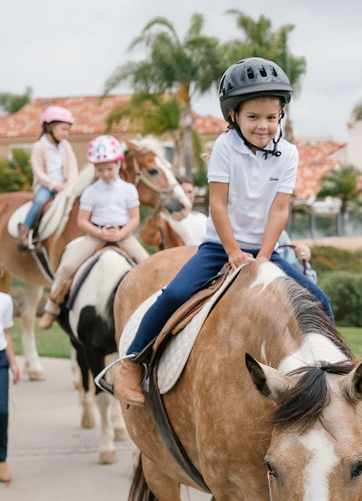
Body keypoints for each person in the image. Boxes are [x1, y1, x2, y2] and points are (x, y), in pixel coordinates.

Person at [109, 58, 333, 407]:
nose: (264, 125)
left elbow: (279, 209)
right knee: (172, 296)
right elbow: (218, 205)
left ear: (281, 117)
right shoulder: (225, 148)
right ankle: (130, 364)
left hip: (264, 250)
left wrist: (261, 259)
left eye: (271, 117)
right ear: (234, 116)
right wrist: (232, 252)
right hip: (219, 246)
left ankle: (333, 378)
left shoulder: (288, 154)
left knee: (321, 300)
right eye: (253, 117)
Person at [36, 136, 147, 329]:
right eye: (100, 169)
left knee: (147, 263)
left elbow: (135, 219)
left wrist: (121, 234)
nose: (105, 173)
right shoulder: (90, 191)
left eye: (109, 168)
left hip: (124, 234)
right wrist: (100, 233)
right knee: (67, 266)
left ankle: (154, 307)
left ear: (119, 164)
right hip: (96, 235)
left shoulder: (129, 190)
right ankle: (52, 308)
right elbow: (82, 221)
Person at [18, 105, 78, 248]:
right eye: (63, 129)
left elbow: (73, 166)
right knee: (39, 202)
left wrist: (70, 183)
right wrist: (54, 185)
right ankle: (25, 230)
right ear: (50, 127)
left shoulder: (66, 146)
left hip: (65, 186)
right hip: (46, 186)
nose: (66, 133)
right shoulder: (39, 146)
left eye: (68, 130)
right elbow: (38, 171)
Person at [0, 286, 21, 483]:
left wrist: (13, 362)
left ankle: (1, 459)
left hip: (0, 359)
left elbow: (5, 333)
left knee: (2, 411)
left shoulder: (5, 301)